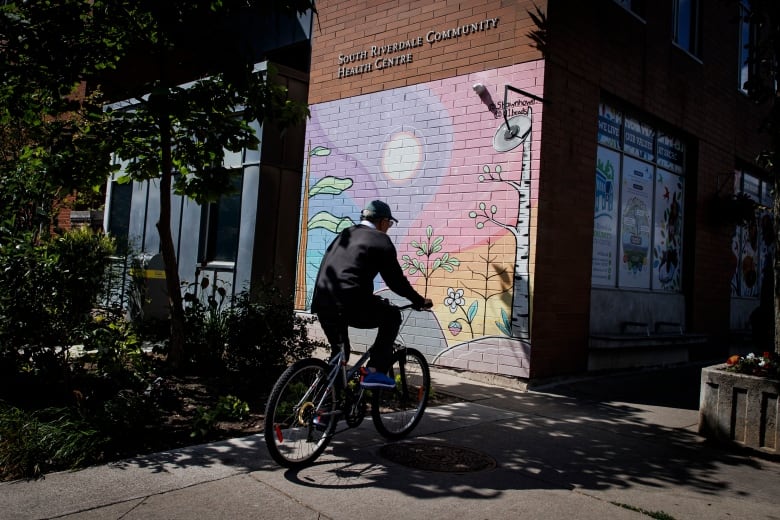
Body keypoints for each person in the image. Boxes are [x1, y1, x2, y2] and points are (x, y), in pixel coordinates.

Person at [311, 200, 433, 389]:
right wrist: (418, 301)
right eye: (390, 224)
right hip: (350, 303)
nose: (389, 228)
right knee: (392, 316)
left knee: (340, 354)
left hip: (323, 301)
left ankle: (324, 410)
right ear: (382, 221)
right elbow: (395, 282)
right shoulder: (380, 240)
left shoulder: (346, 234)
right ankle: (373, 372)